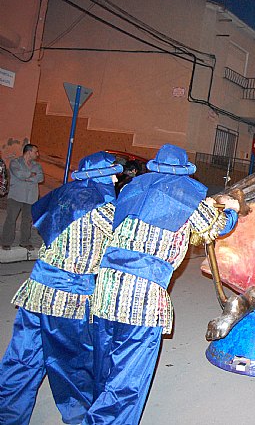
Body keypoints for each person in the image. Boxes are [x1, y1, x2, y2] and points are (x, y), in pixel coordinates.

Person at [85, 144, 239, 424]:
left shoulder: (134, 187)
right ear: (184, 170)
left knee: (104, 363)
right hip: (142, 297)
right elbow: (217, 228)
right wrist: (233, 209)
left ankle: (96, 408)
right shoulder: (187, 195)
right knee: (128, 379)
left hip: (105, 289)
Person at [0, 152, 123, 424]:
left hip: (36, 290)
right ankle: (80, 419)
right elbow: (127, 241)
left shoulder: (62, 194)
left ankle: (7, 416)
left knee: (22, 358)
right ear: (99, 177)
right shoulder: (102, 207)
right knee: (74, 365)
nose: (116, 178)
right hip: (68, 297)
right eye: (112, 173)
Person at [1, 144, 44, 250]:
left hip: (31, 197)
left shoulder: (37, 166)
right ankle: (6, 242)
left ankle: (24, 241)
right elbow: (18, 174)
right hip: (16, 196)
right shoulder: (15, 162)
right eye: (36, 152)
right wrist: (31, 175)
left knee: (27, 220)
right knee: (11, 219)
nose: (37, 154)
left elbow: (40, 178)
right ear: (29, 152)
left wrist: (27, 177)